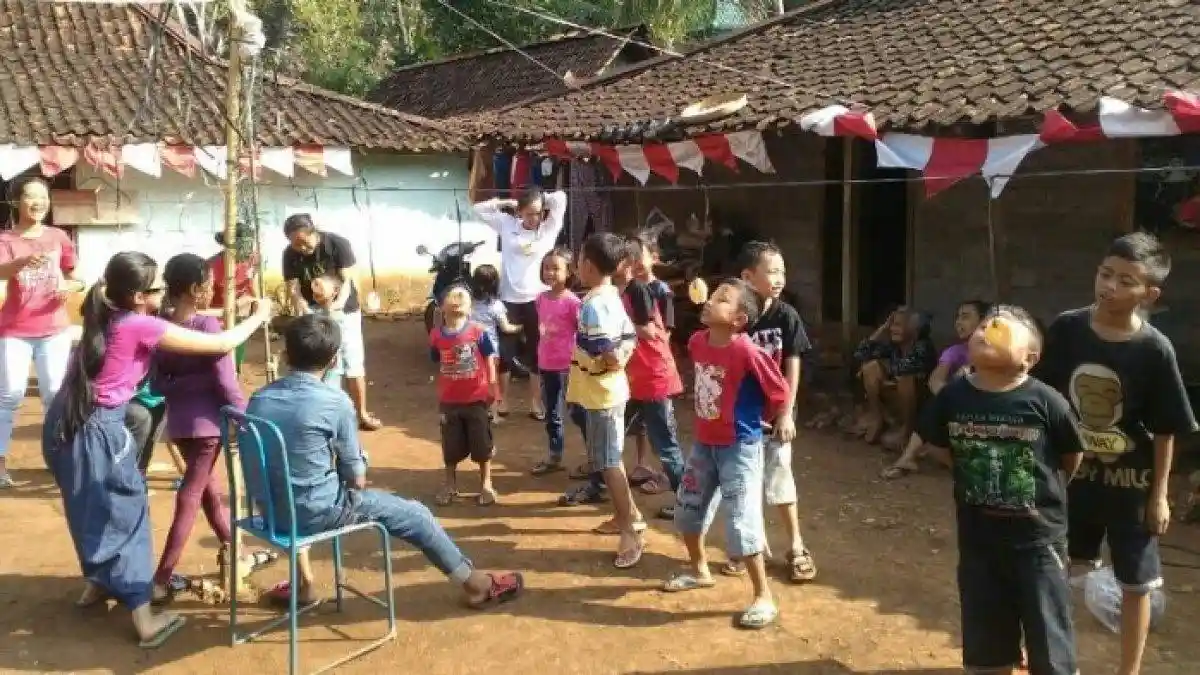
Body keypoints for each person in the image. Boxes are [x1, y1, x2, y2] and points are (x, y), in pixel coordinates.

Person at [42, 251, 270, 648]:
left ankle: (96, 584)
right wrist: (260, 314)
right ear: (136, 296)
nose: (163, 294)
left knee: (86, 506)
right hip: (99, 428)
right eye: (156, 289)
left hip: (62, 424)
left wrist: (231, 305)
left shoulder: (103, 315)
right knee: (128, 512)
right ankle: (144, 617)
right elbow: (223, 342)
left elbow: (183, 320)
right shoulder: (137, 325)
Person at [248, 313, 524, 609]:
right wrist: (357, 463)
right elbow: (357, 478)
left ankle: (305, 585)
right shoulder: (335, 402)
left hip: (270, 513)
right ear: (334, 360)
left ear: (286, 354)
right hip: (318, 512)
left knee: (298, 482)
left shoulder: (258, 398)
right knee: (417, 515)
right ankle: (476, 584)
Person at [1033, 232, 1196, 675]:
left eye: (1126, 281)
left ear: (1150, 294)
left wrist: (1158, 495)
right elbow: (1042, 398)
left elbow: (1166, 430)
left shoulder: (1154, 350)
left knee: (1136, 585)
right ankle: (1050, 659)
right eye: (1106, 274)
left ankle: (1129, 670)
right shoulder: (1067, 329)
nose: (1110, 286)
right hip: (1072, 482)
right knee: (1056, 568)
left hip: (1131, 488)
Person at [916, 305, 1084, 675]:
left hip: (1040, 542)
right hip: (979, 542)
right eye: (986, 323)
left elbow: (1070, 458)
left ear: (1030, 357)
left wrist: (1047, 492)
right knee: (986, 639)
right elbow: (938, 445)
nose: (990, 326)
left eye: (1007, 325)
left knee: (1049, 638)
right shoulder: (952, 397)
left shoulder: (1046, 401)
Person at [662, 278, 789, 630]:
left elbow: (778, 389)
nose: (709, 300)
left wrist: (777, 418)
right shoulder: (696, 342)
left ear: (738, 319)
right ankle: (699, 569)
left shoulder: (746, 351)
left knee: (742, 520)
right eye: (713, 295)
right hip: (704, 443)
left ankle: (763, 595)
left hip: (740, 448)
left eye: (721, 299)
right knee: (688, 507)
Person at [150, 253, 253, 603]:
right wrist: (244, 417)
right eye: (209, 284)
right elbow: (225, 382)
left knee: (208, 492)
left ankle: (233, 548)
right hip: (208, 427)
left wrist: (183, 385)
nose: (213, 290)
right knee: (190, 496)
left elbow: (158, 384)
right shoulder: (208, 329)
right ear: (195, 289)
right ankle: (162, 577)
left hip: (179, 424)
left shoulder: (161, 325)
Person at [717, 241, 817, 583]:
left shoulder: (786, 316)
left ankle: (797, 545)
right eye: (772, 271)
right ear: (748, 276)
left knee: (779, 479)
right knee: (743, 484)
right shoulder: (735, 317)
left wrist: (786, 413)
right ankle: (750, 547)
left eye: (783, 272)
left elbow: (793, 366)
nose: (780, 278)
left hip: (775, 416)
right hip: (740, 418)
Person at [561, 233, 643, 568]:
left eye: (579, 258)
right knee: (606, 459)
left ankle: (629, 532)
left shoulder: (593, 305)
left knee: (609, 463)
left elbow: (605, 349)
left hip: (603, 394)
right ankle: (629, 515)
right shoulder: (610, 294)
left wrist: (611, 361)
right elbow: (630, 337)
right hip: (605, 391)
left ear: (588, 266)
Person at [0, 176, 85, 487]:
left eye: (43, 197)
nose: (38, 203)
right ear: (16, 202)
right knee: (9, 395)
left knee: (54, 396)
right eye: (31, 197)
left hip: (54, 330)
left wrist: (70, 285)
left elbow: (77, 275)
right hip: (13, 329)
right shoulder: (6, 240)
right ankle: (0, 465)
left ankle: (57, 459)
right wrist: (21, 261)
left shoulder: (58, 237)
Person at [472, 186, 569, 420]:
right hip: (509, 299)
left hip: (538, 300)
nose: (534, 218)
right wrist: (508, 202)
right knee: (505, 352)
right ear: (520, 212)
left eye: (538, 213)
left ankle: (536, 402)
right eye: (529, 213)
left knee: (537, 352)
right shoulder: (507, 224)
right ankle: (502, 401)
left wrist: (540, 198)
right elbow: (478, 208)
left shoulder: (548, 229)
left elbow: (561, 198)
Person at [281, 214, 381, 430]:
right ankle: (327, 415)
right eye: (294, 243)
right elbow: (293, 288)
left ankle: (361, 413)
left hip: (345, 309)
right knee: (324, 363)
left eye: (303, 241)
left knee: (353, 362)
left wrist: (337, 305)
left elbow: (348, 280)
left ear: (313, 232)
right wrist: (304, 310)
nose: (300, 247)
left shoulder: (336, 244)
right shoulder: (289, 255)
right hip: (313, 309)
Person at [882, 299, 991, 480]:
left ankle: (912, 457)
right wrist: (950, 397)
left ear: (983, 322)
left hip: (989, 412)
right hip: (960, 411)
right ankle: (909, 457)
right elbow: (935, 380)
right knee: (944, 396)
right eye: (957, 317)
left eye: (965, 317)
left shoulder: (997, 352)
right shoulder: (955, 351)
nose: (958, 322)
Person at [617, 236, 684, 522]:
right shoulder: (629, 290)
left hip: (653, 377)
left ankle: (687, 500)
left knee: (666, 445)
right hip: (638, 376)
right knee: (621, 433)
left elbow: (650, 332)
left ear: (629, 264)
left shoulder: (642, 291)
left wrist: (615, 322)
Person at [430, 284, 499, 506]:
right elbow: (434, 358)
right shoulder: (436, 335)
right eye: (452, 296)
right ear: (441, 307)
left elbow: (489, 358)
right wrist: (435, 327)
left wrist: (492, 385)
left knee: (482, 444)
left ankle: (486, 484)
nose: (458, 299)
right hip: (449, 402)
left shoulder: (478, 331)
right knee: (450, 446)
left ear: (470, 308)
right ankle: (450, 484)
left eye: (463, 297)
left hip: (476, 398)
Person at [530, 248, 585, 477]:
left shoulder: (573, 302)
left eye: (556, 268)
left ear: (569, 272)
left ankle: (594, 457)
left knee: (577, 412)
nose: (550, 272)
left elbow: (582, 332)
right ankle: (555, 455)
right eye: (546, 268)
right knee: (551, 413)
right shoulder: (540, 298)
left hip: (568, 366)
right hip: (546, 364)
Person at [853, 306, 937, 447]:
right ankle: (877, 417)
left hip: (922, 407)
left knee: (904, 378)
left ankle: (907, 431)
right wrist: (881, 330)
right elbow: (860, 354)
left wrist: (885, 374)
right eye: (891, 324)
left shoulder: (923, 346)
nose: (892, 328)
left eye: (898, 324)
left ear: (913, 328)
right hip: (897, 400)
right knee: (870, 368)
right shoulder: (894, 347)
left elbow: (903, 369)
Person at [468, 264, 523, 420]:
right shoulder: (496, 305)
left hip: (471, 349)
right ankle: (493, 412)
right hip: (490, 351)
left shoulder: (469, 303)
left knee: (475, 381)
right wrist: (521, 327)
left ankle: (476, 410)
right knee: (491, 381)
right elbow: (506, 328)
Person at [208, 222, 259, 374]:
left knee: (236, 358)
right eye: (243, 245)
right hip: (216, 319)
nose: (248, 249)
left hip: (239, 316)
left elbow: (253, 283)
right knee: (219, 362)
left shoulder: (253, 258)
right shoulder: (212, 267)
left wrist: (257, 306)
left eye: (250, 244)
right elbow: (202, 307)